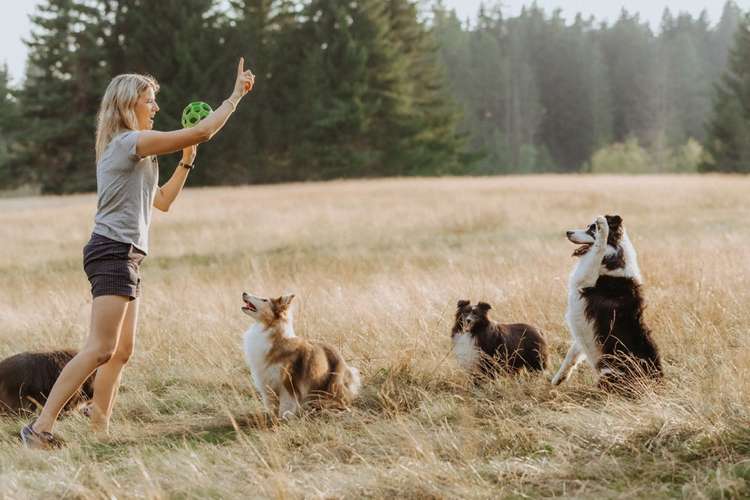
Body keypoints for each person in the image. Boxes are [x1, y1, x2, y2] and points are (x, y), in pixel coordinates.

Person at [20, 58, 255, 448]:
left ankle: (98, 428)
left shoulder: (140, 153)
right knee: (100, 348)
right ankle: (40, 428)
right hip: (112, 251)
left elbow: (160, 202)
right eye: (150, 100)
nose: (156, 108)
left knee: (120, 351)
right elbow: (204, 130)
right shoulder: (129, 143)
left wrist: (185, 161)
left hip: (126, 254)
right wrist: (234, 96)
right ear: (130, 104)